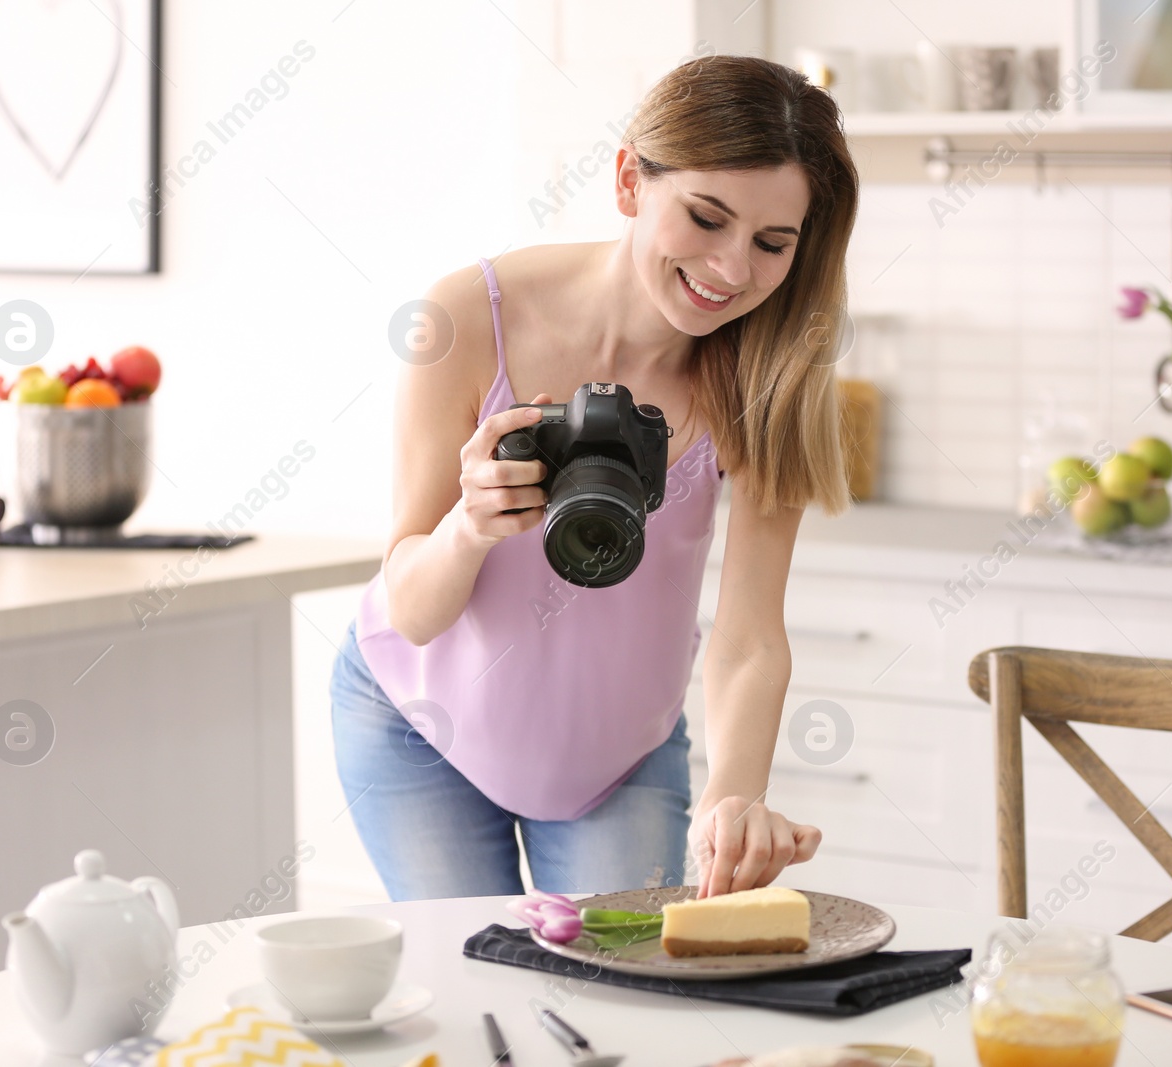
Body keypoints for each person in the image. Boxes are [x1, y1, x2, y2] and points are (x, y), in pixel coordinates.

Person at [332, 54, 858, 901]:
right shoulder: (466, 319)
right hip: (416, 725)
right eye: (705, 216)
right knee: (474, 996)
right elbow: (414, 612)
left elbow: (752, 634)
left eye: (771, 243)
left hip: (620, 758)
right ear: (628, 181)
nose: (730, 268)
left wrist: (735, 795)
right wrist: (469, 526)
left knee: (629, 1000)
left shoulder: (769, 375)